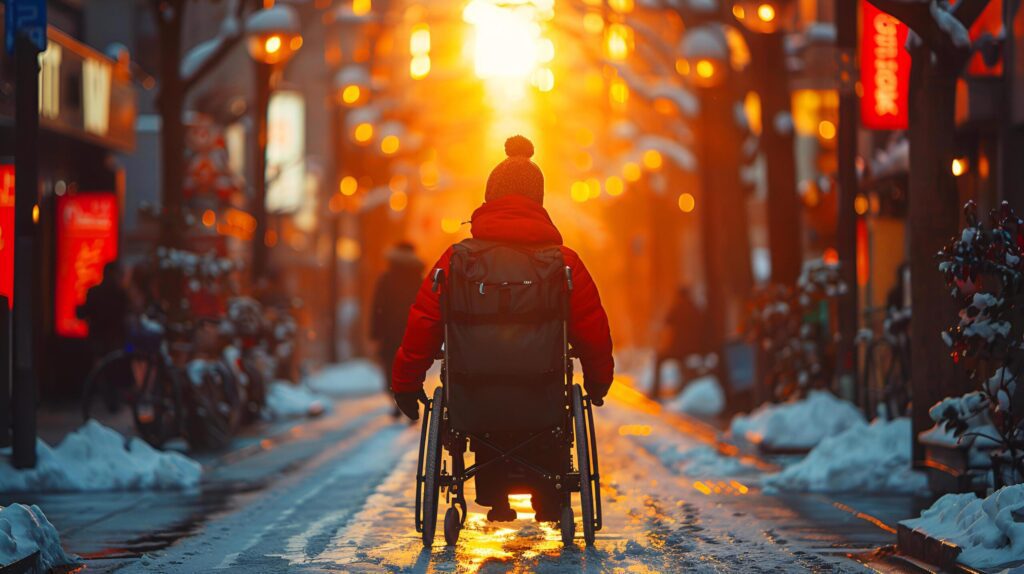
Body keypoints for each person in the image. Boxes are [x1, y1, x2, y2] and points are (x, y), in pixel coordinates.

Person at [390, 135, 614, 522]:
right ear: (538, 202)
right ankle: (550, 494)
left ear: (490, 198)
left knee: (485, 414)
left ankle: (492, 491)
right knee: (546, 414)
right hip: (542, 398)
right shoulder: (562, 264)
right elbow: (592, 327)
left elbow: (423, 321)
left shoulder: (457, 260)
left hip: (474, 400)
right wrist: (598, 381)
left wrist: (406, 383)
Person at [370, 242, 424, 418]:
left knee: (390, 367)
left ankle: (397, 400)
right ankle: (410, 399)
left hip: (390, 331)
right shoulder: (418, 278)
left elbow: (378, 306)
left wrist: (375, 331)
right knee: (410, 367)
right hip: (413, 330)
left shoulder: (386, 278)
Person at [650, 287, 706, 400]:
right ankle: (683, 389)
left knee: (659, 359)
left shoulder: (676, 309)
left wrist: (664, 345)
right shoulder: (695, 309)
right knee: (683, 364)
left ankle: (655, 391)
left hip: (677, 350)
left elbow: (667, 327)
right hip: (693, 349)